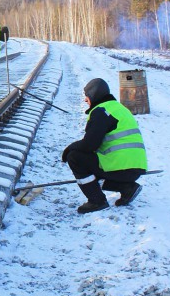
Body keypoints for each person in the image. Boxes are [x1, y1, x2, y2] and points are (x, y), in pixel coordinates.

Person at [61, 78, 147, 214]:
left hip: (120, 166)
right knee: (91, 163)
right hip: (135, 167)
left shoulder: (101, 111)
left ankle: (96, 201)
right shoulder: (119, 108)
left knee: (75, 157)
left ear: (93, 95)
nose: (85, 100)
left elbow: (90, 144)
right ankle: (127, 188)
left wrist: (69, 148)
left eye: (86, 96)